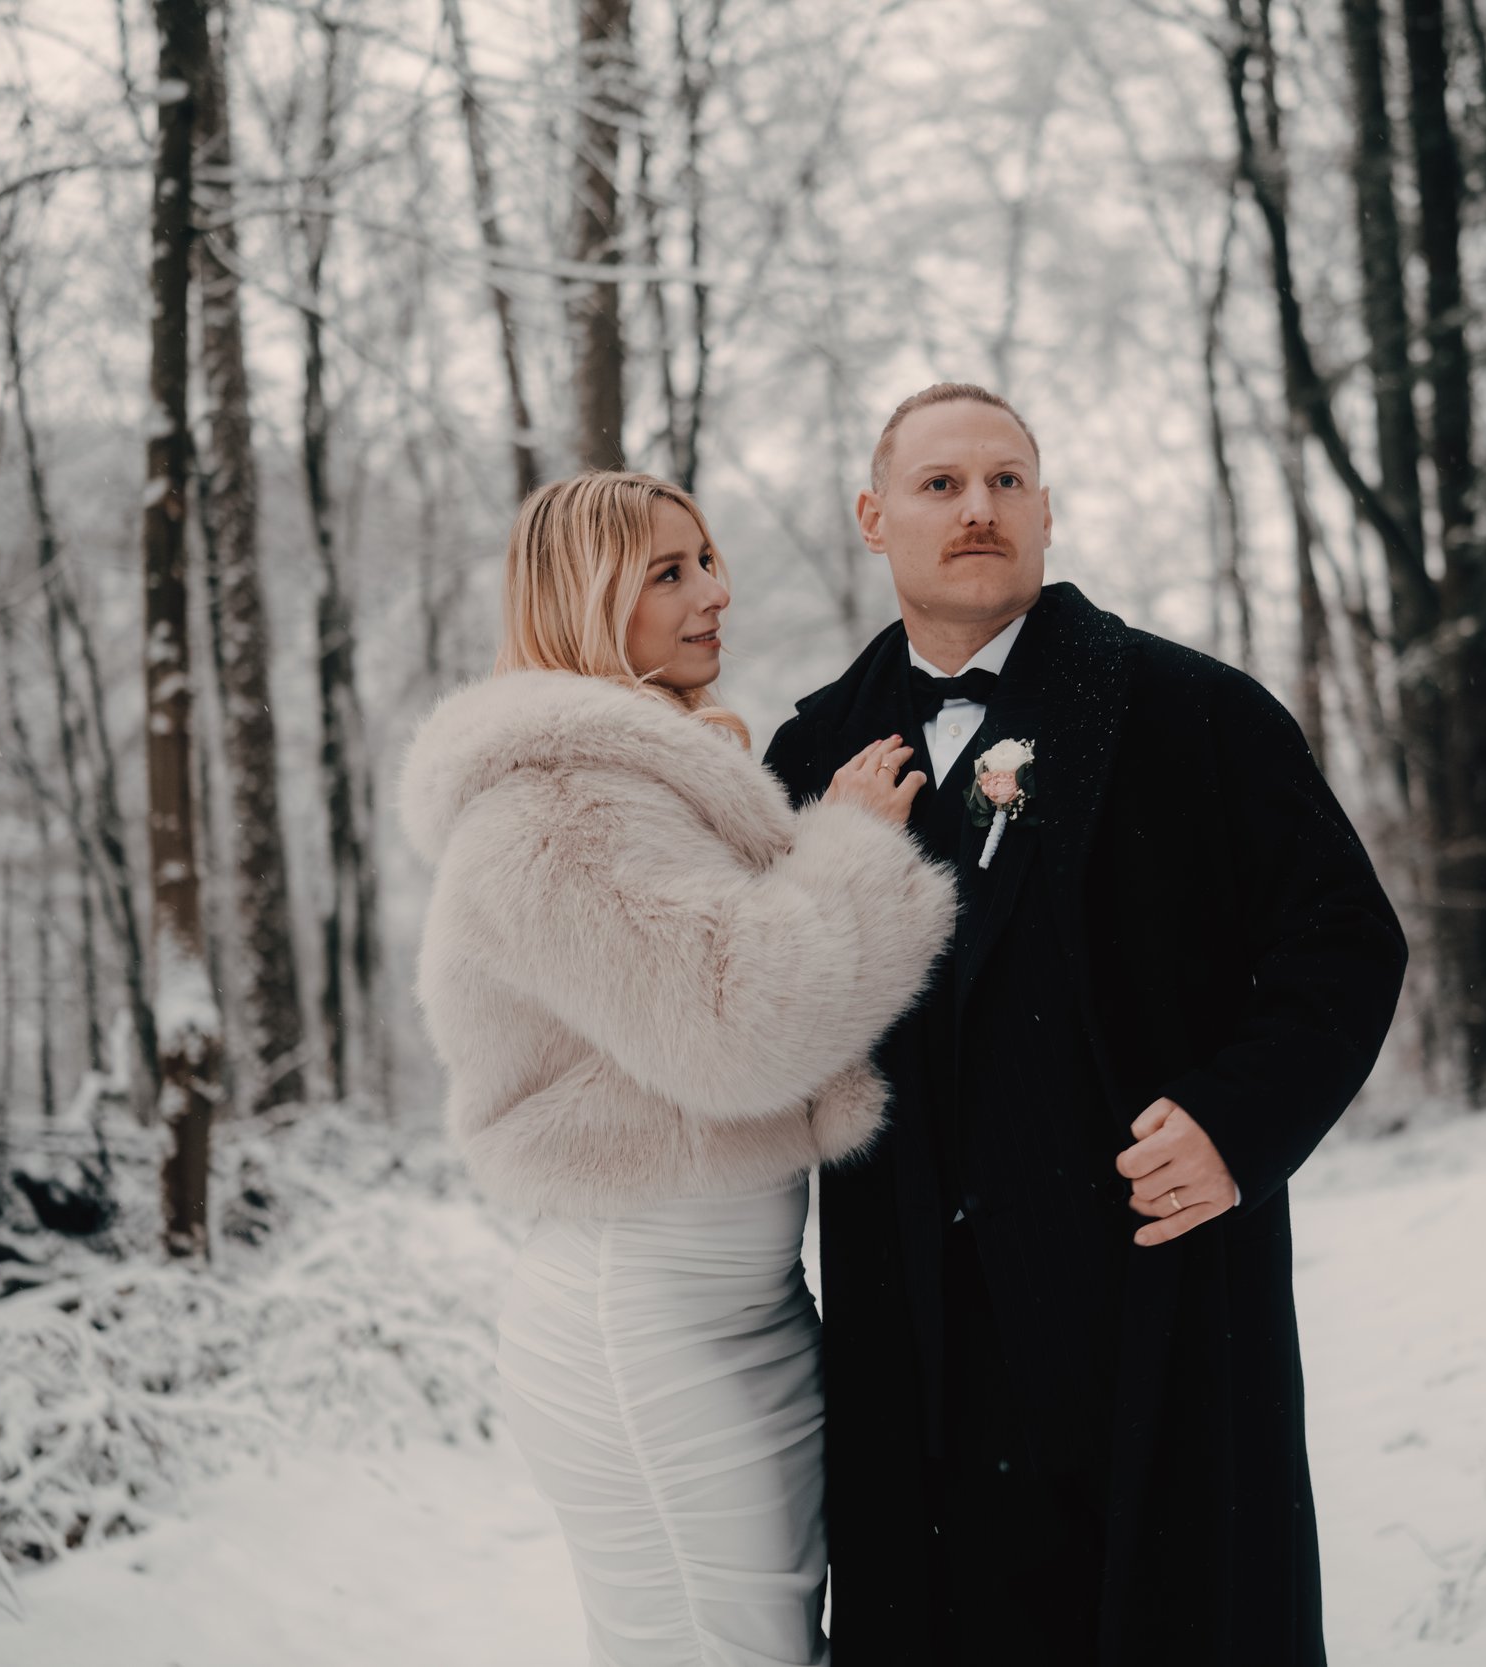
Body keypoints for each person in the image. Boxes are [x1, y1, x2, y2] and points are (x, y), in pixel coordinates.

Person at [763, 384, 1408, 1666]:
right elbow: (759, 1015)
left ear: (1047, 511)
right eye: (940, 484)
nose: (978, 509)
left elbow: (1344, 939)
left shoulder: (1191, 711)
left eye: (1007, 481)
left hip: (1151, 1306)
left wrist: (1238, 1119)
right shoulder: (812, 750)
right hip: (918, 1331)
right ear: (872, 514)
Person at [398, 470, 956, 1667]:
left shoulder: (635, 780)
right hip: (640, 1321)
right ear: (584, 599)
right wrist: (851, 846)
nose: (717, 591)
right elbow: (735, 1020)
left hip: (739, 1312)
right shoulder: (555, 802)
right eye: (669, 571)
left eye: (706, 558)